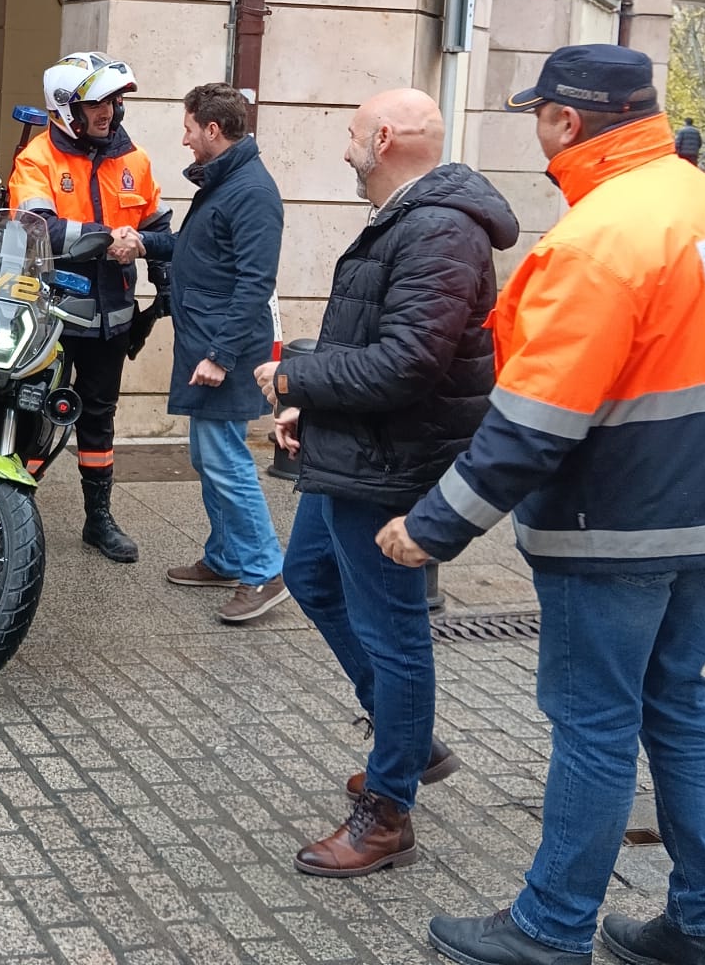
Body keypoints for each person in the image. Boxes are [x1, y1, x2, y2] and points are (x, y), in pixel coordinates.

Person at [378, 45, 705, 965]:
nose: (535, 129)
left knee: (596, 722)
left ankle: (552, 926)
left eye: (539, 113)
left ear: (568, 121)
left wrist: (433, 526)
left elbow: (535, 421)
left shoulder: (597, 238)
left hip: (619, 517)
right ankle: (704, 924)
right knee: (677, 705)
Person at [254, 89, 518, 877]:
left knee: (394, 629)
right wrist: (310, 403)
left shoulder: (438, 228)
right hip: (359, 446)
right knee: (307, 574)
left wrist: (293, 374)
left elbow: (406, 363)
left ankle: (389, 809)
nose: (345, 149)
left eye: (351, 134)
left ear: (386, 137)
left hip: (392, 461)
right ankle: (411, 738)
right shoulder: (409, 217)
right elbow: (373, 344)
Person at [9, 52, 172, 563]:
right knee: (32, 411)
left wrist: (166, 289)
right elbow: (40, 229)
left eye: (113, 99)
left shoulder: (135, 160)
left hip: (112, 319)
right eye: (97, 101)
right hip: (52, 315)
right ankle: (9, 509)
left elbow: (159, 230)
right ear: (66, 109)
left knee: (98, 419)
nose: (109, 109)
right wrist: (111, 238)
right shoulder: (37, 159)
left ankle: (98, 519)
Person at [148, 83, 291, 624]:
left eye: (188, 129)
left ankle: (263, 571)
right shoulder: (225, 182)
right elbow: (195, 247)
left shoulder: (251, 191)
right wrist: (145, 243)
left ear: (212, 129)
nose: (183, 140)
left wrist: (221, 355)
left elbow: (256, 283)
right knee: (209, 457)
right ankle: (227, 557)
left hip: (221, 350)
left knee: (226, 462)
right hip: (206, 342)